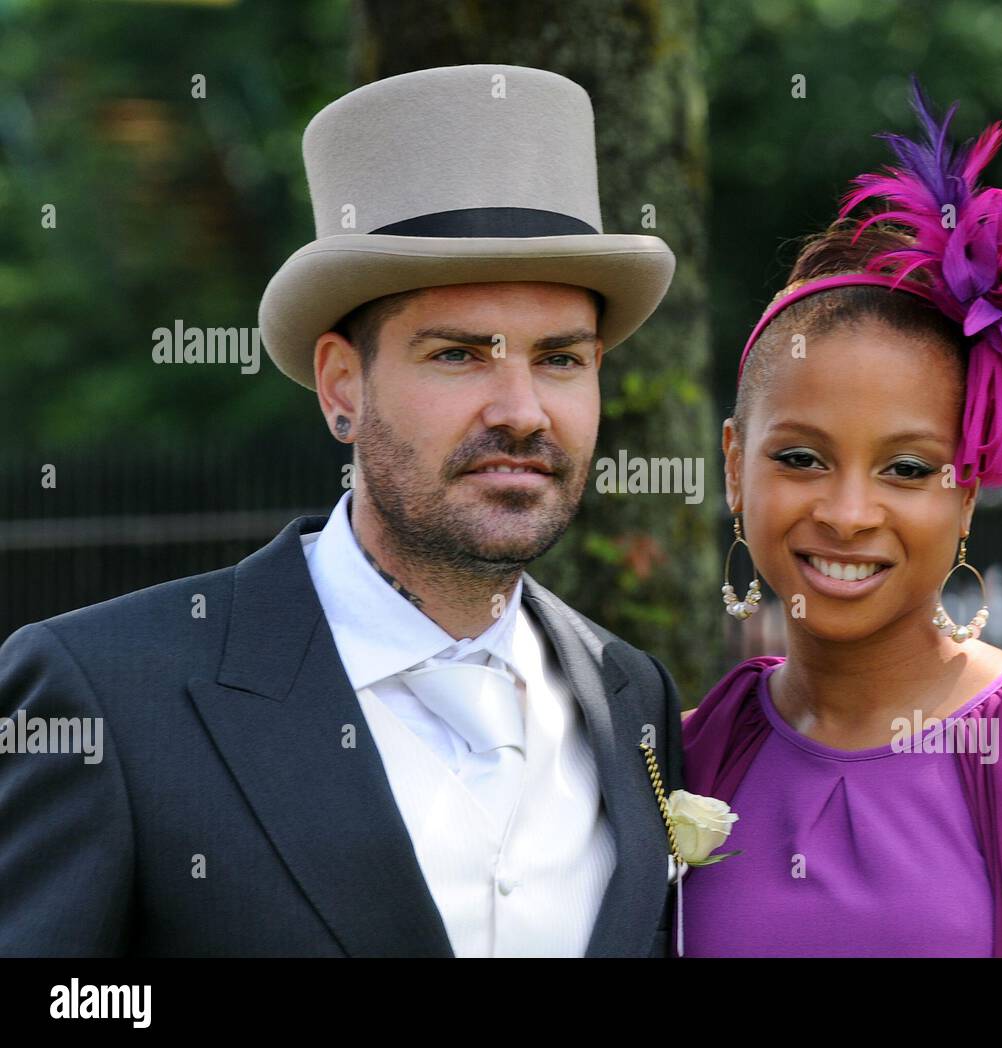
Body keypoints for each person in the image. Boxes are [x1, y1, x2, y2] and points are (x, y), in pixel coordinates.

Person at [0, 64, 685, 957]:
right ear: (341, 386)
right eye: (458, 356)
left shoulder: (632, 692)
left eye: (561, 360)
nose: (522, 409)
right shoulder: (103, 690)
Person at [680, 78, 1002, 957]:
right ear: (734, 466)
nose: (847, 513)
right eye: (800, 458)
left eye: (907, 468)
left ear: (968, 490)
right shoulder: (693, 746)